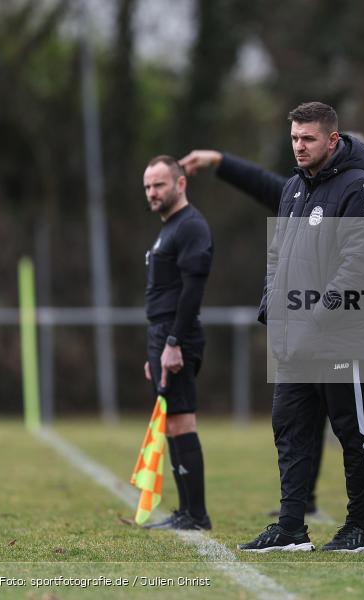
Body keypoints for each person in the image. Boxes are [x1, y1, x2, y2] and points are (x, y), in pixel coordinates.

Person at [184, 102, 364, 553]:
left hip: (341, 338)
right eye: (294, 138)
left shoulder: (360, 187)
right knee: (290, 430)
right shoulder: (294, 187)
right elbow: (277, 256)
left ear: (332, 139)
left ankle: (358, 529)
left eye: (308, 138)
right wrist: (272, 307)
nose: (299, 146)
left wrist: (319, 315)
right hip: (294, 339)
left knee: (353, 432)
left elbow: (359, 263)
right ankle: (291, 527)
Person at [141, 155, 214, 531]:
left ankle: (197, 514)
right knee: (171, 422)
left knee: (182, 420)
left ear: (180, 184)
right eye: (148, 187)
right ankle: (186, 511)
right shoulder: (169, 227)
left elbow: (191, 291)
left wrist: (173, 342)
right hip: (162, 334)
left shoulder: (191, 226)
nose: (152, 192)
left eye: (159, 185)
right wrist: (154, 349)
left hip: (176, 334)